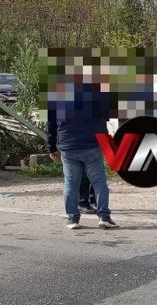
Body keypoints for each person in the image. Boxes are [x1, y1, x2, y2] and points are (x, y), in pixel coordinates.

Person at [46, 72, 116, 230]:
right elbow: (105, 118)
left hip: (68, 145)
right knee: (99, 182)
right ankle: (104, 216)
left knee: (71, 182)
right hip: (92, 144)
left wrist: (51, 147)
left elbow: (50, 125)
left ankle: (73, 219)